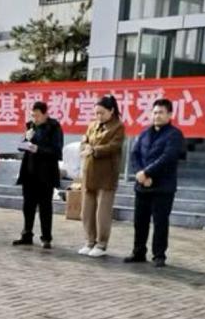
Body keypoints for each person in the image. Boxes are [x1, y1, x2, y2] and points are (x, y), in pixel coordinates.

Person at [125, 98, 186, 267]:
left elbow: (168, 157)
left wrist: (147, 172)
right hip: (142, 185)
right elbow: (134, 154)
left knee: (160, 222)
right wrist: (139, 173)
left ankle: (159, 255)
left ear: (170, 114)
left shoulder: (174, 134)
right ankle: (138, 252)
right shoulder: (144, 133)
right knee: (140, 221)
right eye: (154, 112)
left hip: (163, 187)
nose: (157, 116)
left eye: (161, 112)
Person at [78, 95, 125, 258]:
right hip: (89, 171)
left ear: (111, 111)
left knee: (102, 212)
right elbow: (84, 140)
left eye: (102, 113)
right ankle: (89, 241)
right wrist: (85, 146)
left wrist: (94, 150)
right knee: (87, 210)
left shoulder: (118, 126)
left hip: (107, 174)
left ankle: (101, 243)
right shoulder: (93, 125)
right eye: (96, 113)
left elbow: (114, 146)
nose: (98, 116)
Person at [13, 101, 63, 249]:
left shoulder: (54, 127)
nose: (35, 119)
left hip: (46, 174)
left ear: (45, 114)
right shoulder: (30, 126)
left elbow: (57, 151)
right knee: (28, 206)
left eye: (37, 116)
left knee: (45, 206)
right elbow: (20, 147)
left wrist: (38, 149)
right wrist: (25, 139)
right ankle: (26, 234)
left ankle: (46, 237)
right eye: (33, 116)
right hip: (29, 172)